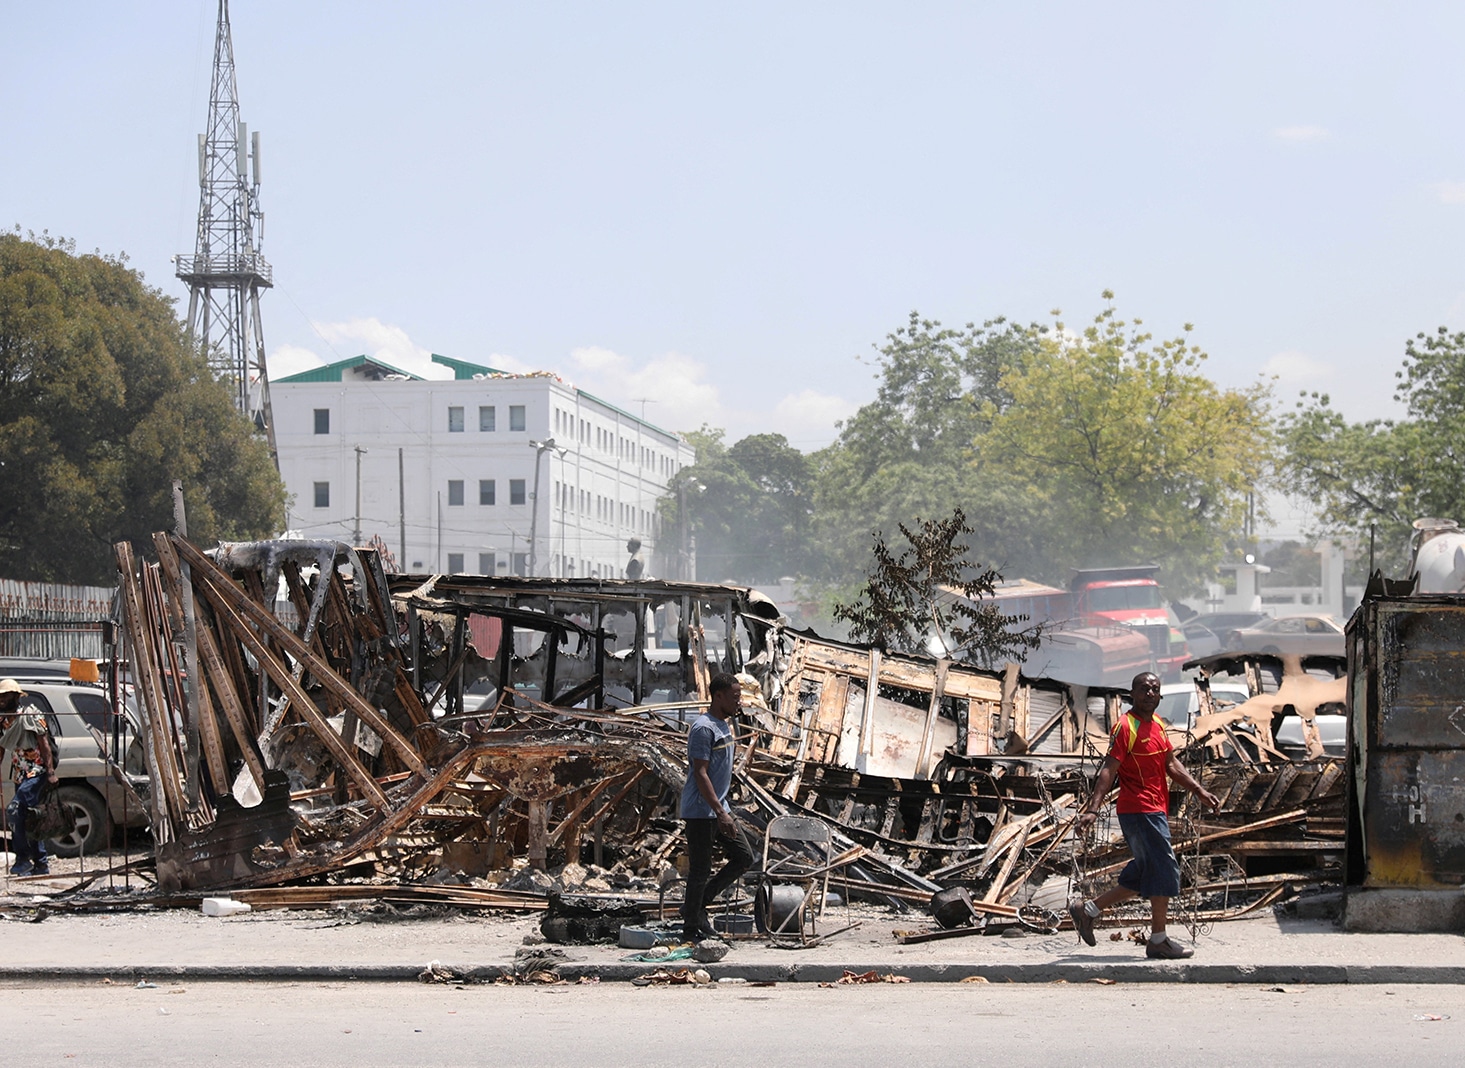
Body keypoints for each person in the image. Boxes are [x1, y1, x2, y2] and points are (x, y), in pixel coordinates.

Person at [1069, 671, 1220, 960]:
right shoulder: (1126, 726)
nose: (1150, 693)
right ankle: (1158, 940)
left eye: (1155, 689)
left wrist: (1199, 791)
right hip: (1138, 811)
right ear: (1133, 694)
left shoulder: (1159, 725)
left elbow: (1171, 764)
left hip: (1155, 809)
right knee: (1164, 869)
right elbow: (1108, 769)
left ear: (1160, 695)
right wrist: (1092, 809)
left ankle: (1087, 910)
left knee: (1145, 873)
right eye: (1144, 689)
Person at [679, 671, 755, 942]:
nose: (739, 702)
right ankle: (690, 929)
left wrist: (723, 808)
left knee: (744, 857)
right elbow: (700, 773)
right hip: (702, 810)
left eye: (740, 697)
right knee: (700, 869)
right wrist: (721, 813)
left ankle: (698, 906)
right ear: (718, 696)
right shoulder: (703, 728)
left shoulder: (726, 724)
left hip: (719, 806)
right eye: (735, 697)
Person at [0, 678, 57, 877]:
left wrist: (50, 772)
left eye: (5, 695)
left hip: (36, 772)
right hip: (19, 774)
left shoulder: (31, 715)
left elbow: (45, 745)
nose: (2, 699)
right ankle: (40, 864)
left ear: (15, 696)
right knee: (30, 818)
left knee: (15, 811)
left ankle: (22, 860)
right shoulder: (4, 719)